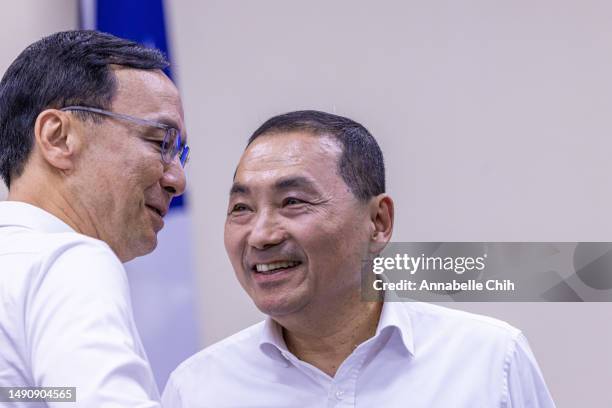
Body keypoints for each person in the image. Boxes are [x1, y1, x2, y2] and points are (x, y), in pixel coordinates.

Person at [162, 110, 555, 407]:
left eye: (293, 202)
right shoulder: (198, 389)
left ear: (378, 222)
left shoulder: (488, 359)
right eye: (242, 208)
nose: (262, 235)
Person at [0, 30, 189, 407]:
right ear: (58, 137)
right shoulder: (67, 260)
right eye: (160, 142)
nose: (177, 180)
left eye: (179, 153)